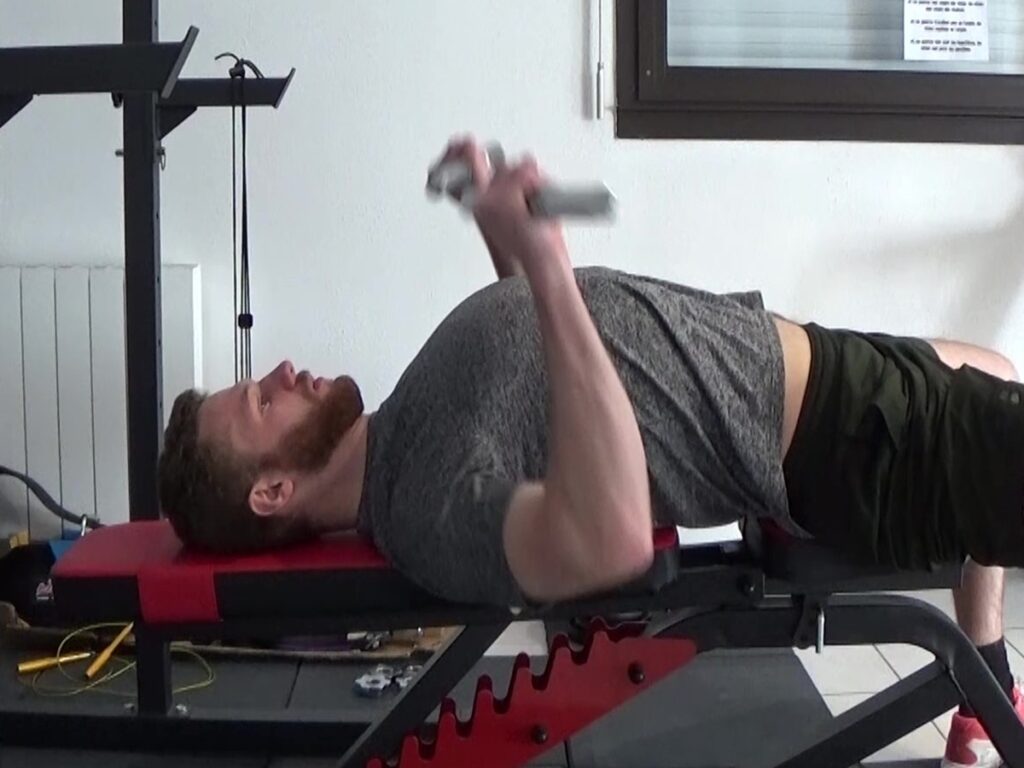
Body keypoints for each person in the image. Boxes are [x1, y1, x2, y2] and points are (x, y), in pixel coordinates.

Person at [157, 138, 1022, 768]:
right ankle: (988, 688)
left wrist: (506, 241)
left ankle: (983, 680)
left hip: (831, 371)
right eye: (261, 402)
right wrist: (547, 265)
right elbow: (608, 539)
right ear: (273, 491)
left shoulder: (400, 429)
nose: (280, 372)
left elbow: (539, 395)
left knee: (997, 367)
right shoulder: (421, 506)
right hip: (855, 440)